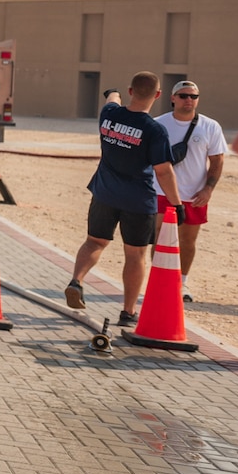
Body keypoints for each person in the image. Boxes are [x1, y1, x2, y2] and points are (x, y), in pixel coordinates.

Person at [66, 72, 183, 324]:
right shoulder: (154, 130)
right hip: (138, 201)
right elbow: (163, 171)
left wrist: (112, 92)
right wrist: (176, 203)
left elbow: (111, 98)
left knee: (94, 242)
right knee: (135, 255)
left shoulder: (110, 115)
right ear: (159, 95)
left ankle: (77, 280)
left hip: (104, 193)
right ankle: (128, 311)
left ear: (131, 91)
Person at [154, 80, 226, 290]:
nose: (189, 100)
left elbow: (217, 160)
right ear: (173, 98)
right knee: (160, 237)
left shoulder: (210, 126)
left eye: (193, 97)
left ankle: (180, 284)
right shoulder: (158, 124)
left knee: (187, 242)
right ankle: (158, 283)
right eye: (184, 96)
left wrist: (208, 189)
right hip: (162, 191)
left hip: (194, 196)